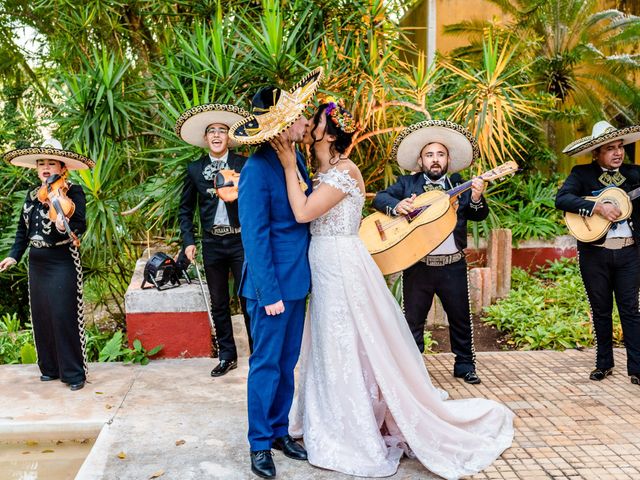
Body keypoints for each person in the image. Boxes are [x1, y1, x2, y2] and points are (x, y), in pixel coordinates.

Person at [271, 103, 513, 479]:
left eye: (313, 122)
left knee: (347, 340)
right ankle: (329, 413)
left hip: (341, 263)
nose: (305, 126)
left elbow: (303, 213)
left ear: (329, 134)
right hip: (322, 261)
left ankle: (355, 425)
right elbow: (375, 202)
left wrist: (288, 166)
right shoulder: (319, 171)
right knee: (330, 341)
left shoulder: (344, 170)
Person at [229, 67, 323, 479]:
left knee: (287, 364)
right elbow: (255, 239)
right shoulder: (254, 172)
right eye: (300, 118)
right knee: (266, 365)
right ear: (282, 126)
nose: (306, 122)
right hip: (270, 290)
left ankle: (281, 430)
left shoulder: (294, 159)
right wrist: (269, 294)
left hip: (296, 281)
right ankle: (259, 444)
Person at [372, 120, 488, 384]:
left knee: (460, 318)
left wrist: (478, 197)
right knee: (413, 321)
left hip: (453, 264)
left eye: (440, 154)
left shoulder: (462, 184)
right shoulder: (406, 184)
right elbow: (380, 198)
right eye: (429, 155)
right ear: (421, 160)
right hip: (419, 264)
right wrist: (398, 205)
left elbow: (478, 215)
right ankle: (413, 370)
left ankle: (464, 365)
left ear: (448, 159)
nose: (435, 160)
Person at [0, 139, 94, 391]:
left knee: (64, 315)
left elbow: (81, 224)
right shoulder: (31, 196)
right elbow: (23, 231)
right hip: (37, 261)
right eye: (41, 163)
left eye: (50, 163)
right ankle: (50, 368)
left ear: (62, 168)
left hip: (62, 258)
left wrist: (66, 226)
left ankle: (74, 374)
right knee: (42, 315)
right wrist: (13, 255)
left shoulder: (73, 192)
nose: (45, 167)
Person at [556, 120, 640, 386]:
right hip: (595, 253)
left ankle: (637, 368)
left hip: (629, 253)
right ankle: (603, 364)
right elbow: (562, 199)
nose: (618, 153)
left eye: (620, 147)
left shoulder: (636, 174)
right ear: (597, 153)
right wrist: (597, 208)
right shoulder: (581, 174)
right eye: (610, 148)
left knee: (631, 310)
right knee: (601, 309)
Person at [175, 103, 253, 376]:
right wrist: (188, 240)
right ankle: (227, 356)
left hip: (240, 241)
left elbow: (257, 201)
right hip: (211, 243)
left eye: (222, 130)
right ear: (206, 138)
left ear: (229, 137)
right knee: (219, 301)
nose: (217, 135)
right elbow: (185, 209)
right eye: (212, 131)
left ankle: (258, 356)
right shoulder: (194, 170)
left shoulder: (245, 164)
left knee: (248, 299)